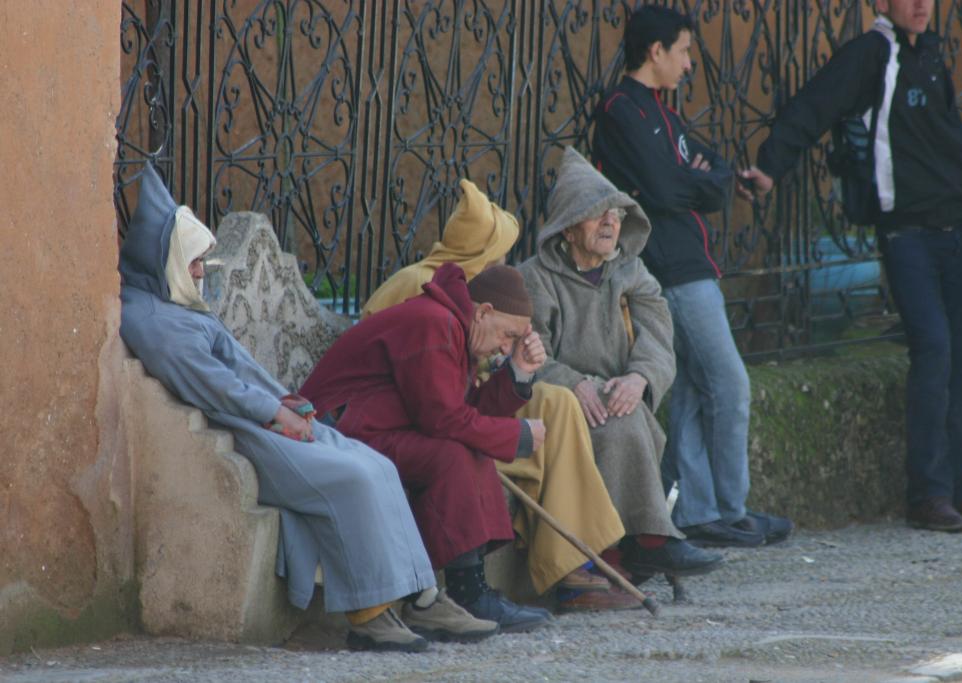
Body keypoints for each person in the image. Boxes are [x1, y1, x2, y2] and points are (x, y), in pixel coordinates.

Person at [118, 164, 498, 652]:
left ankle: (421, 599)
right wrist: (275, 414)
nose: (199, 273)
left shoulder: (176, 307)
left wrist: (285, 399)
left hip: (268, 417)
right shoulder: (152, 318)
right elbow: (214, 385)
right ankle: (369, 613)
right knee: (352, 478)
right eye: (192, 261)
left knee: (376, 466)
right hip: (245, 429)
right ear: (164, 259)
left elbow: (242, 368)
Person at [739, 0, 962, 532]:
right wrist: (770, 166)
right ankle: (928, 496)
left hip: (961, 230)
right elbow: (813, 105)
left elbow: (950, 134)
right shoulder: (871, 54)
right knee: (932, 348)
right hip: (908, 233)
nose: (920, 6)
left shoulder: (930, 53)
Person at [362, 179, 631, 612]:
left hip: (456, 401)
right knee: (483, 436)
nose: (505, 264)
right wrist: (513, 430)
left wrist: (519, 370)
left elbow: (466, 384)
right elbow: (435, 397)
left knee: (557, 401)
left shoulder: (478, 294)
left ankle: (571, 561)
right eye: (499, 254)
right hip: (411, 415)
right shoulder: (423, 288)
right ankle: (512, 580)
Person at [591, 5, 793, 548]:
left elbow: (713, 172)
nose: (688, 65)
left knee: (693, 392)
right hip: (670, 268)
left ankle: (704, 512)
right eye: (683, 52)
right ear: (655, 51)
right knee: (728, 383)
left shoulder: (665, 114)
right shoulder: (620, 110)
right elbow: (662, 189)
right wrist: (697, 183)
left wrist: (704, 181)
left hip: (689, 265)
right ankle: (727, 509)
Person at [300, 263, 554, 632]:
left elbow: (459, 411)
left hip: (371, 429)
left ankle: (469, 591)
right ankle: (468, 595)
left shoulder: (452, 324)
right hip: (333, 434)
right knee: (452, 452)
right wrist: (519, 437)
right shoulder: (435, 323)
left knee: (465, 444)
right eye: (507, 336)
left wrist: (518, 372)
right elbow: (444, 420)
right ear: (483, 312)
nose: (505, 347)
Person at [518, 147, 723, 580]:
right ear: (568, 228)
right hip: (561, 401)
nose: (611, 222)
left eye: (616, 213)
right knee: (624, 425)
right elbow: (528, 353)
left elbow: (658, 334)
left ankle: (637, 545)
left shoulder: (630, 271)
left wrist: (639, 376)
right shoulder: (535, 278)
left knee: (628, 414)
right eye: (597, 214)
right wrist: (575, 383)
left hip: (615, 393)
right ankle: (635, 547)